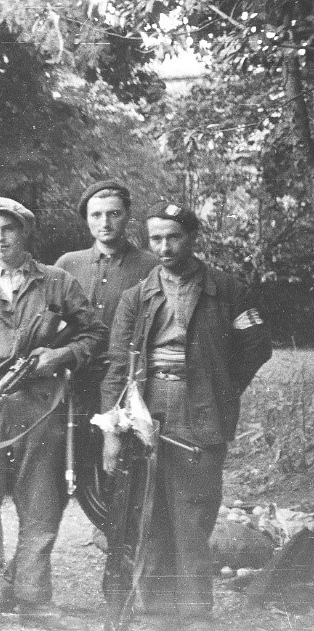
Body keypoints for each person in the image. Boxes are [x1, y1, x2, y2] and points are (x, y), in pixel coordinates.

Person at [100, 203, 271, 631]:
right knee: (149, 511)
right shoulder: (136, 296)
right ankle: (156, 611)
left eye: (173, 237)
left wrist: (224, 388)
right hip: (147, 407)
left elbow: (257, 345)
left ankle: (195, 614)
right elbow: (118, 365)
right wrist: (111, 429)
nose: (164, 247)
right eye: (155, 238)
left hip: (201, 410)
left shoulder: (227, 289)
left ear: (192, 237)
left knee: (194, 513)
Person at [0, 196, 106, 630]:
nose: (0, 239)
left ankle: (33, 598)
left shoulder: (57, 281)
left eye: (8, 229)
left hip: (41, 406)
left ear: (25, 232)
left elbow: (94, 334)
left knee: (41, 503)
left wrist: (61, 357)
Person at [53, 181, 158, 524]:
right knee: (81, 455)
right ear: (86, 219)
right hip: (78, 378)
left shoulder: (149, 265)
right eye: (96, 215)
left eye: (114, 213)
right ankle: (103, 523)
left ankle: (123, 531)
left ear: (127, 216)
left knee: (122, 458)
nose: (105, 222)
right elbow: (53, 319)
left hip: (128, 380)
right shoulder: (68, 263)